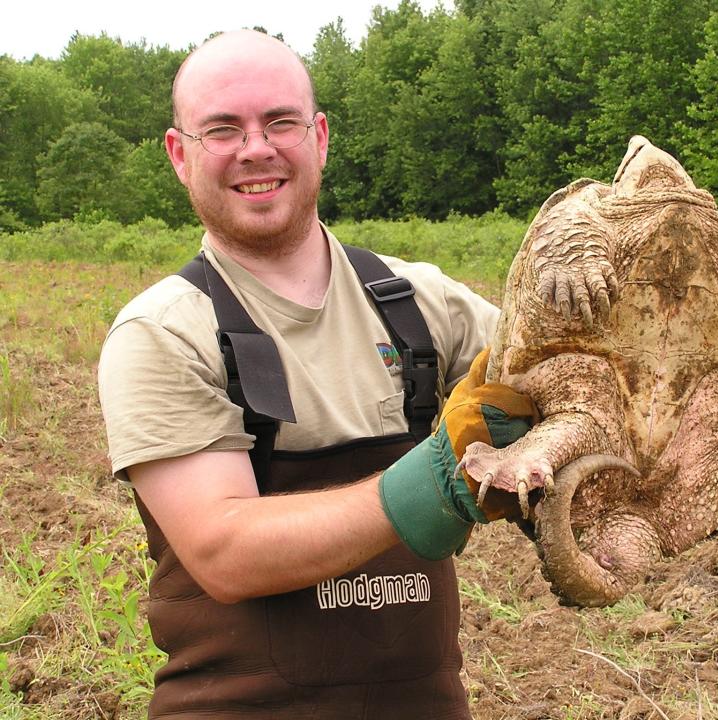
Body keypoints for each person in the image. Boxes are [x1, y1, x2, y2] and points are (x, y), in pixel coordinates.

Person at [97, 29, 534, 719]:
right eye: (222, 129)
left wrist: (711, 423)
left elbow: (562, 382)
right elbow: (224, 550)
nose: (256, 148)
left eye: (280, 122)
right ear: (180, 155)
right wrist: (428, 486)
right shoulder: (163, 332)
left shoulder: (420, 302)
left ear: (320, 137)